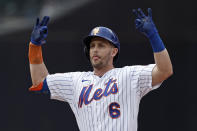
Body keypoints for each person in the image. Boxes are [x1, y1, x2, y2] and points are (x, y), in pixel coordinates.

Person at [28, 8, 173, 131]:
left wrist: (153, 36)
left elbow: (164, 71)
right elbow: (39, 81)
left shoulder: (129, 75)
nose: (95, 50)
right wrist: (34, 46)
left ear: (114, 51)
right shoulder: (75, 81)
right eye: (92, 46)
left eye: (101, 45)